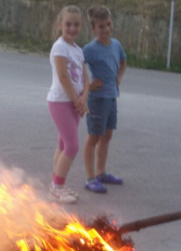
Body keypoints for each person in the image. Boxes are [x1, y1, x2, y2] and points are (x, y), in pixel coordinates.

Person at [47, 5, 89, 204]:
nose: (72, 28)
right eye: (68, 24)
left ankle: (56, 185)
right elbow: (63, 76)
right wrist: (76, 100)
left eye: (76, 24)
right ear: (60, 25)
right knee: (72, 146)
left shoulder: (78, 50)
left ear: (81, 26)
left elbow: (84, 76)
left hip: (75, 102)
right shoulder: (60, 47)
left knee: (63, 143)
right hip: (61, 102)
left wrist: (84, 97)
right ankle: (57, 186)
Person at [82, 5, 127, 194]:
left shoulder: (116, 44)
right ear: (93, 29)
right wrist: (88, 85)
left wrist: (119, 77)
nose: (106, 29)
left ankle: (101, 173)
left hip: (111, 97)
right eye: (101, 26)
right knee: (94, 137)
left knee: (107, 136)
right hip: (97, 99)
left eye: (109, 24)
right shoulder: (90, 49)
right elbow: (76, 66)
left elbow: (123, 61)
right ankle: (90, 178)